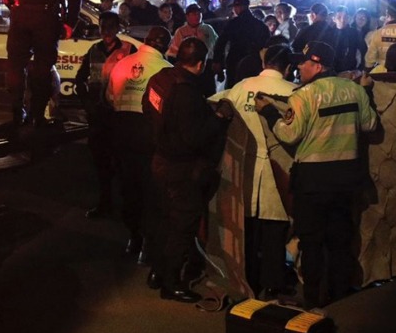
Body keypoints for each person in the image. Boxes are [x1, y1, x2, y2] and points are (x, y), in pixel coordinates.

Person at [258, 41, 379, 309]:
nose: (299, 67)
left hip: (312, 182)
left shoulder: (304, 95)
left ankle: (313, 298)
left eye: (304, 62)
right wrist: (366, 94)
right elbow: (370, 125)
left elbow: (289, 134)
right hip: (346, 180)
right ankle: (340, 297)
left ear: (319, 65)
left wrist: (268, 111)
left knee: (311, 242)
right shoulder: (354, 90)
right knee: (339, 241)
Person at [143, 37, 229, 303]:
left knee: (164, 221)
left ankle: (157, 272)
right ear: (201, 64)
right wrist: (217, 119)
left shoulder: (161, 78)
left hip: (160, 159)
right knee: (182, 225)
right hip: (180, 168)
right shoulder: (186, 92)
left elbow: (147, 107)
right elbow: (195, 137)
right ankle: (172, 282)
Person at [209, 44, 296, 299]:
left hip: (243, 166)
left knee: (246, 226)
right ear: (288, 68)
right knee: (274, 228)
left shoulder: (242, 87)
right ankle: (273, 282)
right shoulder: (294, 92)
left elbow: (217, 103)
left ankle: (247, 277)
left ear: (264, 63)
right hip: (277, 169)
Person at [107, 26, 173, 262]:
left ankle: (133, 236)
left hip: (122, 131)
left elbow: (110, 97)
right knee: (150, 189)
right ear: (165, 45)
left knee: (129, 186)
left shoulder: (123, 63)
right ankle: (148, 241)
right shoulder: (166, 69)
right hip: (149, 133)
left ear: (146, 40)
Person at [76, 11, 136, 219]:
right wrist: (87, 105)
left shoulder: (129, 50)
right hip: (98, 117)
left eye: (111, 27)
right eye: (103, 27)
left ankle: (128, 207)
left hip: (121, 116)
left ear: (118, 28)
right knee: (101, 164)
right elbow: (80, 80)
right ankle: (105, 203)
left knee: (123, 164)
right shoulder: (93, 50)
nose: (106, 32)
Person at [212, 0, 271, 86]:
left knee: (233, 90)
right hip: (255, 63)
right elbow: (267, 46)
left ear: (238, 7)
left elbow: (221, 43)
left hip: (234, 62)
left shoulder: (233, 24)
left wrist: (218, 61)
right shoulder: (260, 25)